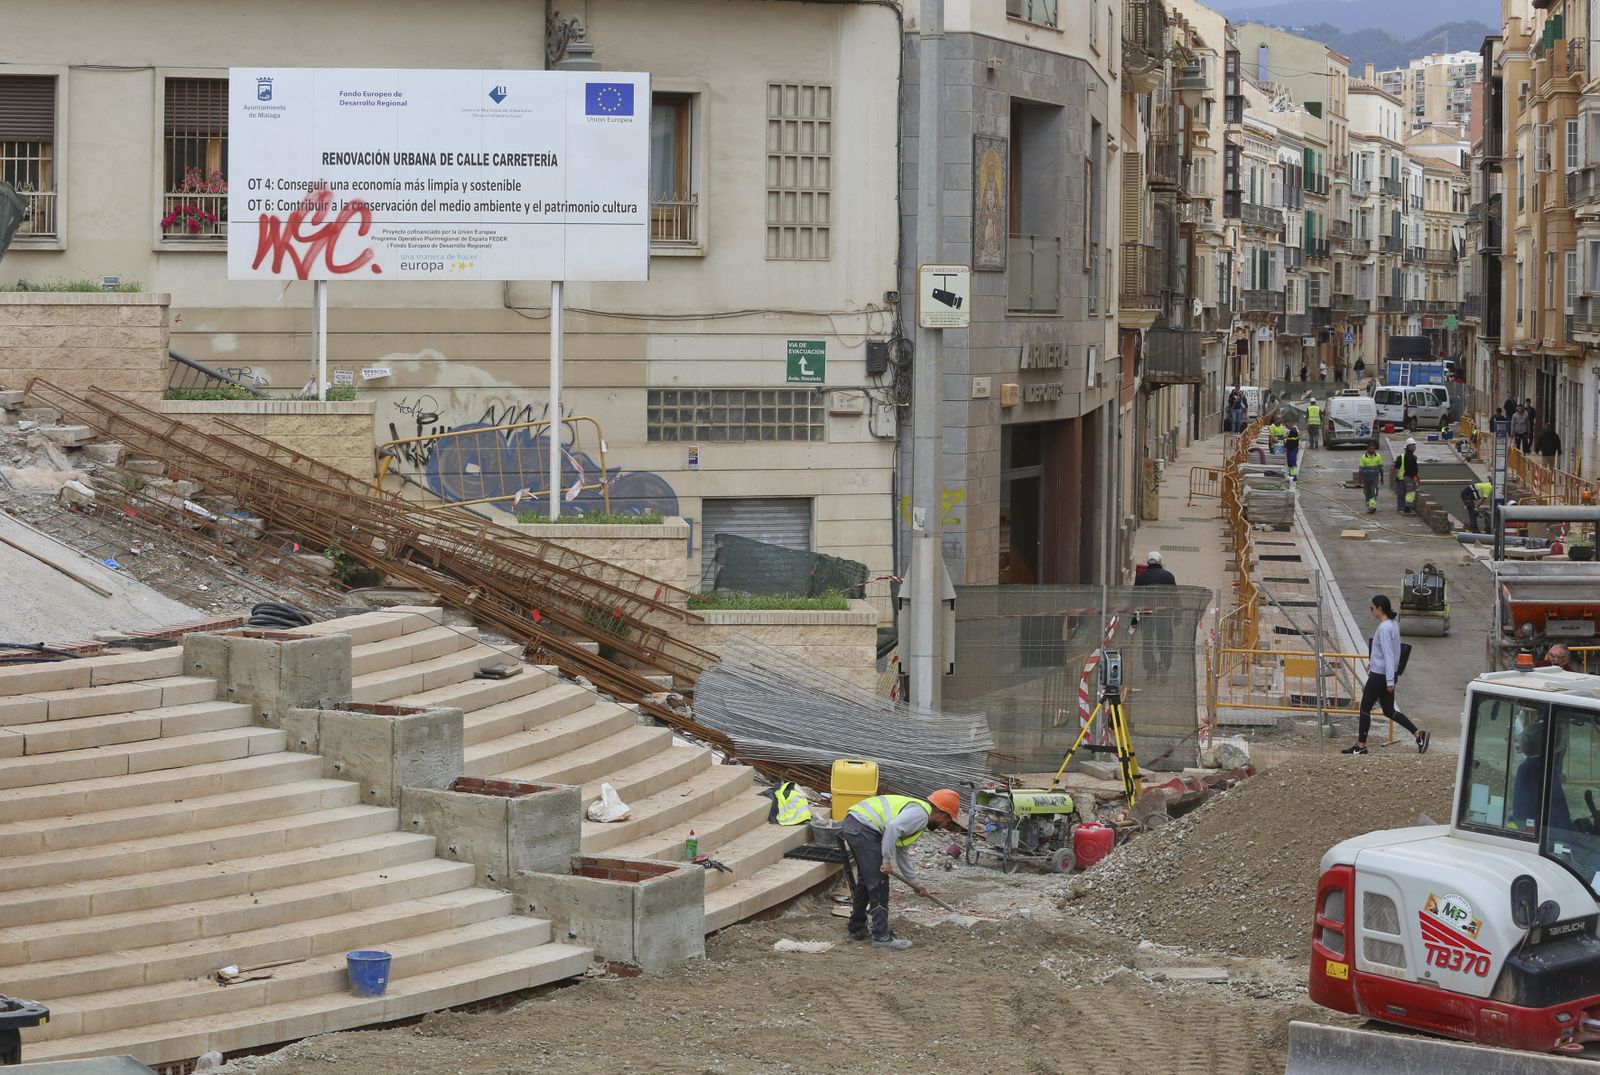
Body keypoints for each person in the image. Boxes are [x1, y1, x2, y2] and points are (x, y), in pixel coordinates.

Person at [841, 789, 960, 949]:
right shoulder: (921, 815)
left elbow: (902, 852)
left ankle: (857, 928)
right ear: (942, 814)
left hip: (856, 824)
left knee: (866, 879)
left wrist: (915, 883)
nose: (944, 826)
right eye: (947, 821)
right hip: (864, 827)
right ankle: (881, 937)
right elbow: (892, 828)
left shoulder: (917, 814)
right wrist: (886, 860)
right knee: (879, 883)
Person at [1342, 595, 1430, 755]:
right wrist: (1377, 665)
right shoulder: (1392, 624)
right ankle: (1418, 735)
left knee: (1365, 708)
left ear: (1379, 608)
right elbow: (1390, 652)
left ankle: (1361, 746)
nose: (1371, 611)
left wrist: (1389, 681)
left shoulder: (1384, 628)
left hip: (1380, 676)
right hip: (1386, 673)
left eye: (1372, 608)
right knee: (1389, 711)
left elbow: (1388, 654)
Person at [1134, 551, 1176, 676]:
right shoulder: (1168, 576)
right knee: (1165, 641)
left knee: (1147, 642)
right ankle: (1164, 665)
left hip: (1147, 615)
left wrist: (1133, 619)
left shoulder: (1141, 578)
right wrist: (1178, 614)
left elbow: (1134, 598)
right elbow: (1175, 596)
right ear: (1160, 561)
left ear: (1148, 562)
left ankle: (1150, 669)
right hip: (1164, 615)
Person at [1394, 439, 1420, 513]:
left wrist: (1416, 475)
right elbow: (1397, 468)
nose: (1414, 447)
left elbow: (1413, 468)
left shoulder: (1411, 456)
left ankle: (1406, 507)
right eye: (1412, 445)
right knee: (1406, 493)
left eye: (1414, 445)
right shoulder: (1405, 456)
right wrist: (1396, 476)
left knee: (1407, 493)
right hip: (1405, 477)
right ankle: (1405, 507)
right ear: (1407, 447)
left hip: (1406, 477)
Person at [1359, 446, 1385, 514]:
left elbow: (1381, 468)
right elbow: (1361, 468)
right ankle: (1368, 505)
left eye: (1373, 449)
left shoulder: (1378, 456)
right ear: (1368, 449)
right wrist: (1360, 477)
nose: (1372, 450)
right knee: (1367, 492)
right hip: (1366, 478)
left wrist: (1382, 477)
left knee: (1374, 491)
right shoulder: (1363, 457)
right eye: (1371, 449)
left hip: (1375, 478)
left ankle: (1372, 506)